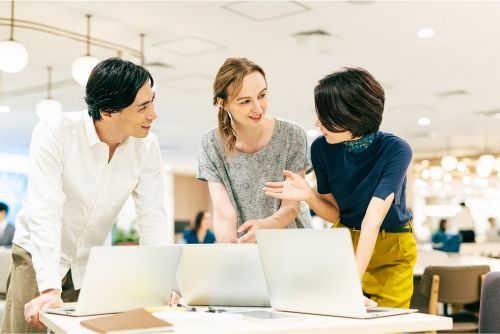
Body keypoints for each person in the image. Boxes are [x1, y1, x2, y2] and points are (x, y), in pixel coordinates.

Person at [2, 58, 169, 333]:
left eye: (152, 102)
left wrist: (161, 285)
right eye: (143, 107)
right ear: (108, 112)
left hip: (88, 262)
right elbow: (46, 209)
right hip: (38, 256)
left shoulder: (147, 147)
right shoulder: (55, 131)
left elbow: (152, 217)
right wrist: (50, 287)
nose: (153, 115)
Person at [263, 67, 417, 308]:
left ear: (352, 118)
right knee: (338, 320)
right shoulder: (322, 149)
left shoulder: (395, 150)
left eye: (325, 117)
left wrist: (351, 286)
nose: (317, 123)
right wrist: (310, 196)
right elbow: (335, 213)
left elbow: (372, 221)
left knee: (387, 325)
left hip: (391, 247)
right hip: (344, 241)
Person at [198, 57, 310, 243]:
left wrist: (265, 226)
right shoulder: (210, 144)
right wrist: (230, 248)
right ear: (222, 103)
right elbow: (224, 212)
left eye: (262, 95)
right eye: (245, 101)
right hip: (244, 244)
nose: (258, 108)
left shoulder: (292, 136)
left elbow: (291, 207)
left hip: (291, 243)